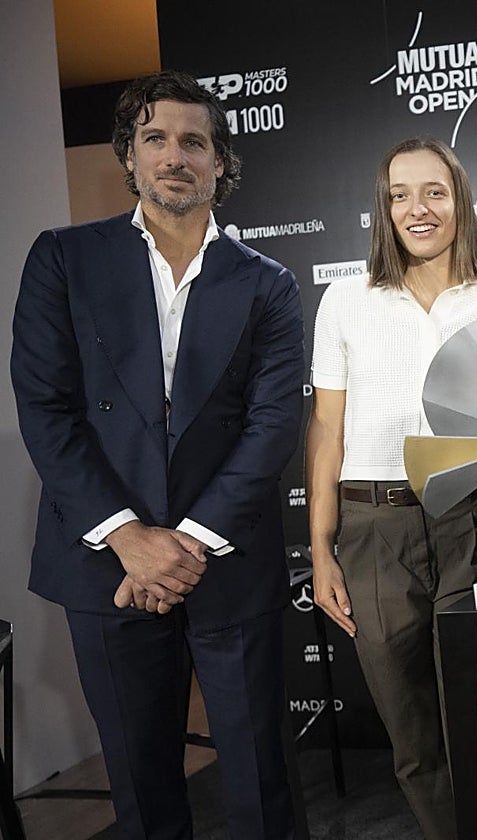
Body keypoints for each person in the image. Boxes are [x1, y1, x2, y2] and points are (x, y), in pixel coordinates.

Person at [11, 70, 303, 838]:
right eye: (156, 139)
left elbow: (274, 424)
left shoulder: (267, 284)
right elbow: (46, 410)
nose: (175, 156)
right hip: (105, 562)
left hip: (227, 559)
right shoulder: (63, 259)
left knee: (262, 782)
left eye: (193, 142)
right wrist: (130, 539)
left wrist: (186, 544)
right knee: (141, 790)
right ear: (130, 155)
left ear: (219, 161)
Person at [306, 137, 477, 839]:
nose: (418, 208)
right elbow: (327, 429)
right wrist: (320, 550)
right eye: (399, 195)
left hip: (476, 523)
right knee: (411, 729)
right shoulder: (346, 300)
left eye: (434, 191)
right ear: (384, 208)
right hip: (377, 530)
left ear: (460, 200)